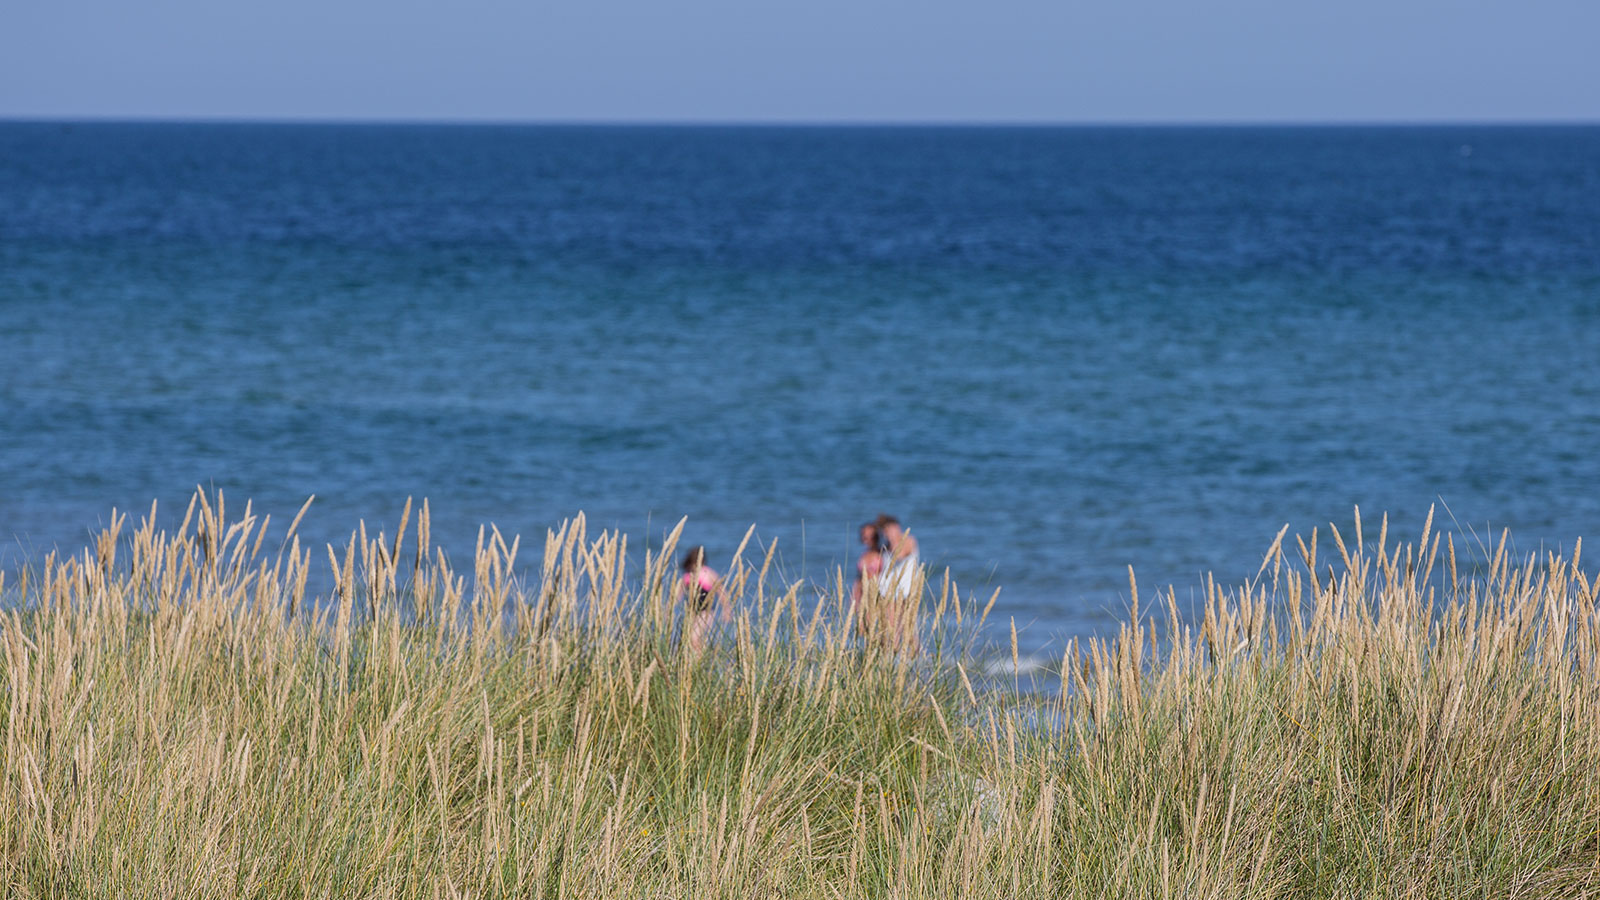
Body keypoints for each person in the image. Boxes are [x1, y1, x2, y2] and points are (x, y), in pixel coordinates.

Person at [874, 514, 922, 655]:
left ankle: (914, 659)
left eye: (889, 530)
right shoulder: (885, 546)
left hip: (905, 592)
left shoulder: (908, 540)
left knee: (909, 628)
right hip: (887, 592)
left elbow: (900, 555)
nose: (887, 534)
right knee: (889, 630)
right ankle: (891, 659)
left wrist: (893, 541)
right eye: (884, 531)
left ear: (897, 527)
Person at [679, 546, 725, 654]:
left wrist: (726, 609)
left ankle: (699, 658)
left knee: (694, 638)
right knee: (687, 639)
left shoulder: (709, 574)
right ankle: (698, 657)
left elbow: (722, 592)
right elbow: (678, 595)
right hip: (691, 612)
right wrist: (668, 609)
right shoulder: (687, 576)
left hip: (706, 612)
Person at [850, 522, 886, 637]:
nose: (867, 538)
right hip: (862, 595)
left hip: (877, 594)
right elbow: (858, 578)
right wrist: (854, 598)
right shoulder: (864, 554)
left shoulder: (883, 553)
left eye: (870, 536)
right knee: (862, 630)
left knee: (879, 630)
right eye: (864, 536)